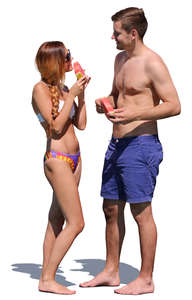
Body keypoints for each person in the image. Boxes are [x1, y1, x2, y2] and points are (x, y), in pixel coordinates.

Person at [80, 7, 181, 295]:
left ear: (133, 34)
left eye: (117, 32)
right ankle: (112, 271)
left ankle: (146, 278)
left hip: (141, 144)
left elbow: (174, 105)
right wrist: (105, 102)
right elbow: (117, 94)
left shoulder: (153, 63)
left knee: (141, 211)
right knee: (110, 208)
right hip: (116, 144)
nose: (112, 36)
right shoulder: (120, 59)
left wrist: (136, 116)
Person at [32, 41, 90, 295]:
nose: (71, 58)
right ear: (56, 61)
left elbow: (82, 124)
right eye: (67, 55)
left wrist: (82, 96)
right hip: (57, 160)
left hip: (75, 159)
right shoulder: (39, 89)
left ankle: (47, 274)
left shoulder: (66, 88)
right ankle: (47, 278)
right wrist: (73, 96)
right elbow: (55, 128)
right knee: (76, 223)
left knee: (56, 219)